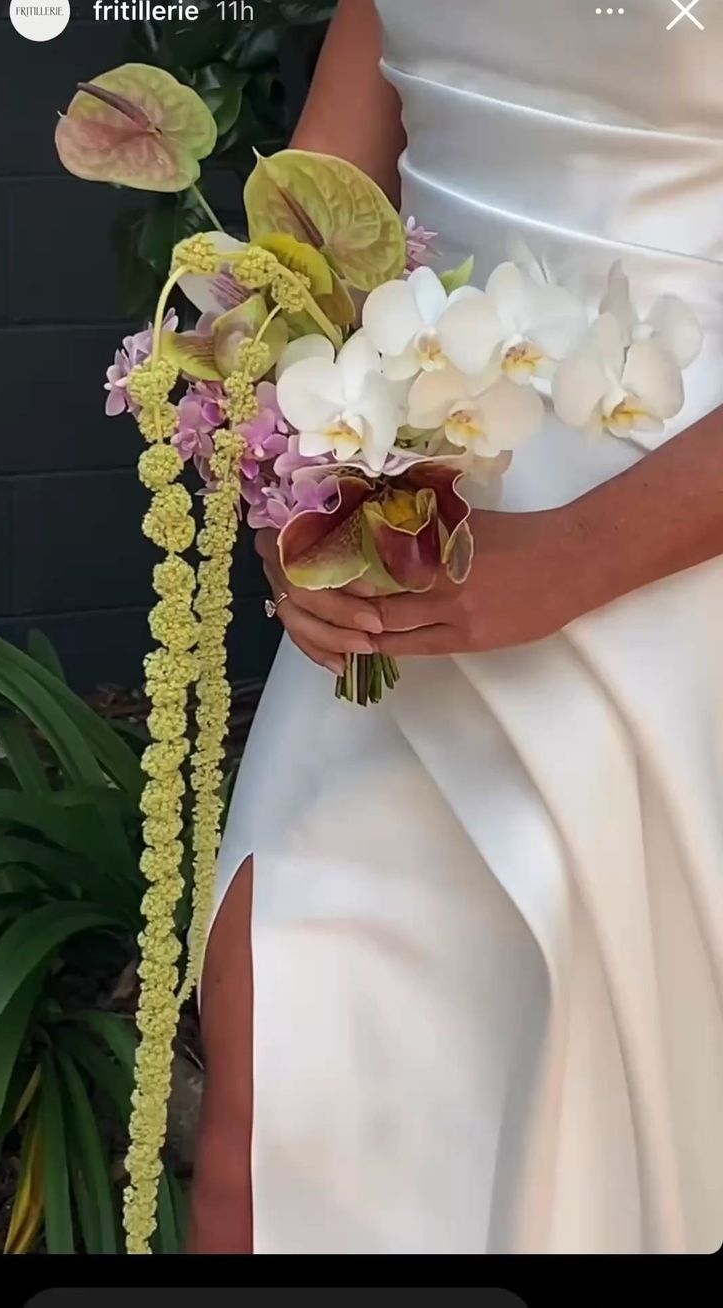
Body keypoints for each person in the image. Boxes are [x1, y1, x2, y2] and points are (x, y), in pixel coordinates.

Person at [188, 0, 723, 1254]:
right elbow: (298, 228)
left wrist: (574, 559)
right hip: (402, 530)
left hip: (672, 576)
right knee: (271, 1120)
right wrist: (282, 481)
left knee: (605, 1114)